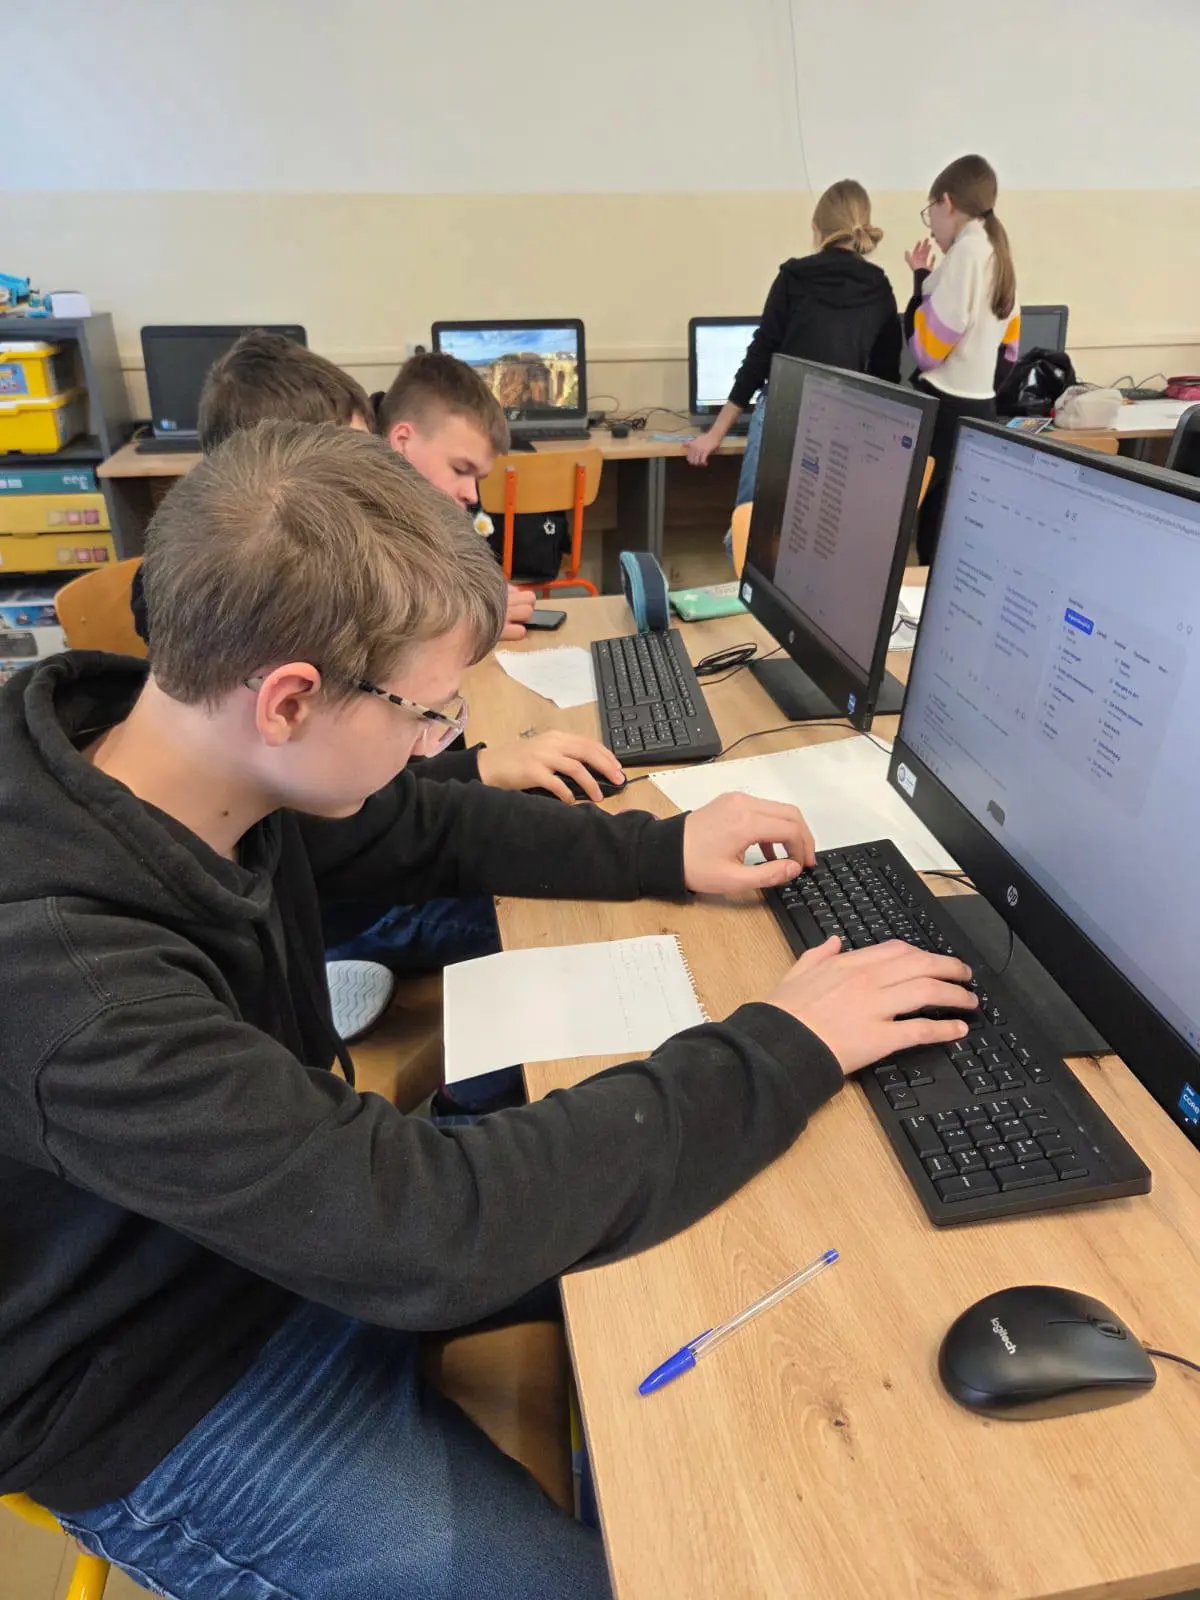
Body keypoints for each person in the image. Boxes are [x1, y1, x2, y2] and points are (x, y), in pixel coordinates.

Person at [0, 420, 976, 1597]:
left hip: (301, 1221)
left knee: (750, 1240)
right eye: (428, 715)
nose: (438, 743)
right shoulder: (71, 978)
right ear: (290, 700)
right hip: (161, 1385)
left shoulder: (175, 746)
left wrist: (661, 849)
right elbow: (429, 1228)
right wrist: (785, 1042)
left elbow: (417, 825)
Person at [686, 179, 901, 520]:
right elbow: (886, 377)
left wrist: (715, 433)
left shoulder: (794, 276)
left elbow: (759, 358)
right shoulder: (879, 287)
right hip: (844, 426)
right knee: (821, 532)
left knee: (752, 528)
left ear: (817, 230)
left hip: (783, 416)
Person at [904, 153, 1020, 564]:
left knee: (928, 533)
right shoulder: (997, 252)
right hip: (981, 410)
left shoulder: (965, 254)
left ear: (947, 203)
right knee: (959, 533)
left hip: (944, 412)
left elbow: (927, 350)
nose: (931, 226)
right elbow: (1009, 351)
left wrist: (919, 288)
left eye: (930, 212)